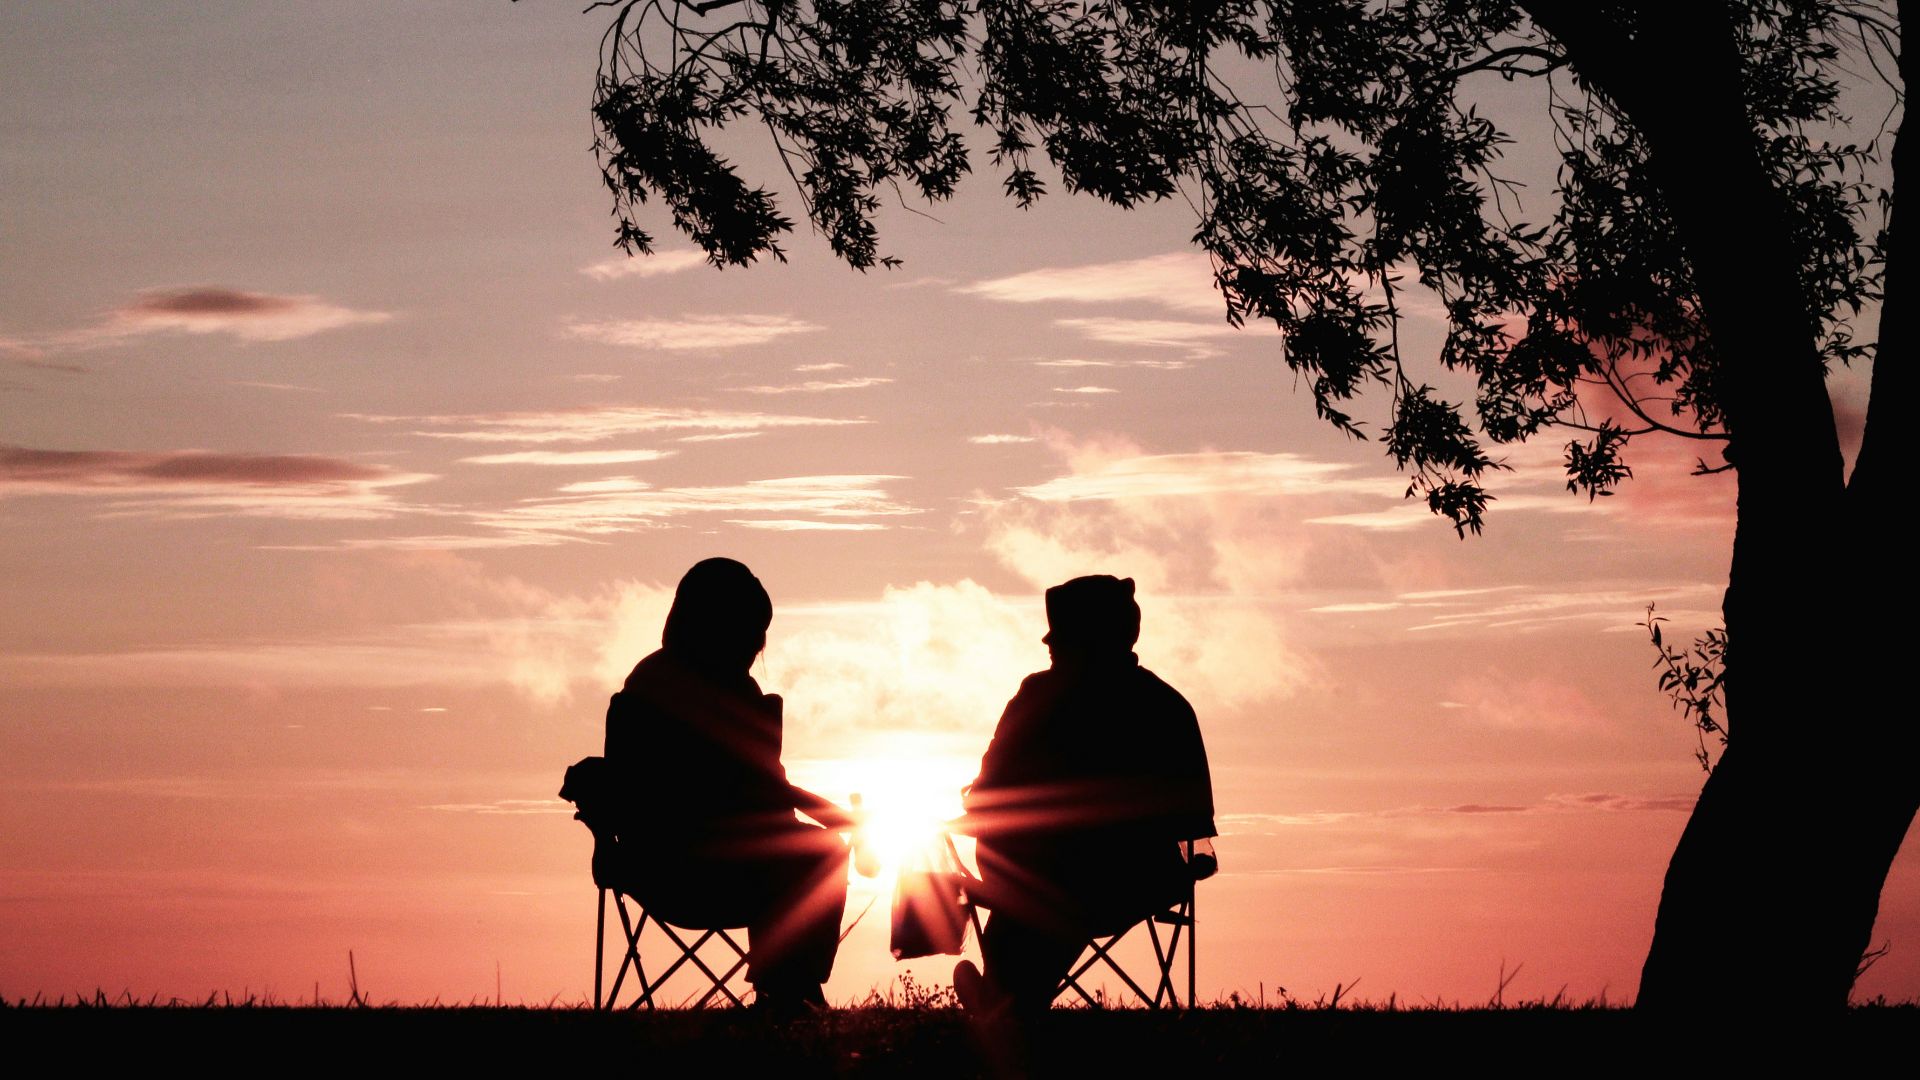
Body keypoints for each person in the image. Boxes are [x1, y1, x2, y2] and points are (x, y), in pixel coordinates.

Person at [953, 575, 1216, 1016]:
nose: (1049, 647)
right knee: (1050, 887)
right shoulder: (1166, 706)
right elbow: (1195, 823)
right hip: (1139, 881)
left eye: (1059, 639)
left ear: (1085, 640)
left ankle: (1007, 998)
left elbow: (985, 795)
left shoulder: (1037, 698)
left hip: (1050, 880)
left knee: (1041, 888)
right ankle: (1007, 996)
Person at [602, 557, 852, 1014]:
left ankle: (790, 986)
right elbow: (763, 792)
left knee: (806, 851)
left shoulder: (648, 681)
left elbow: (765, 792)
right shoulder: (714, 693)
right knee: (825, 853)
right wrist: (842, 820)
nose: (757, 644)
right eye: (751, 629)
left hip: (649, 865)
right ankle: (788, 988)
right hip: (705, 868)